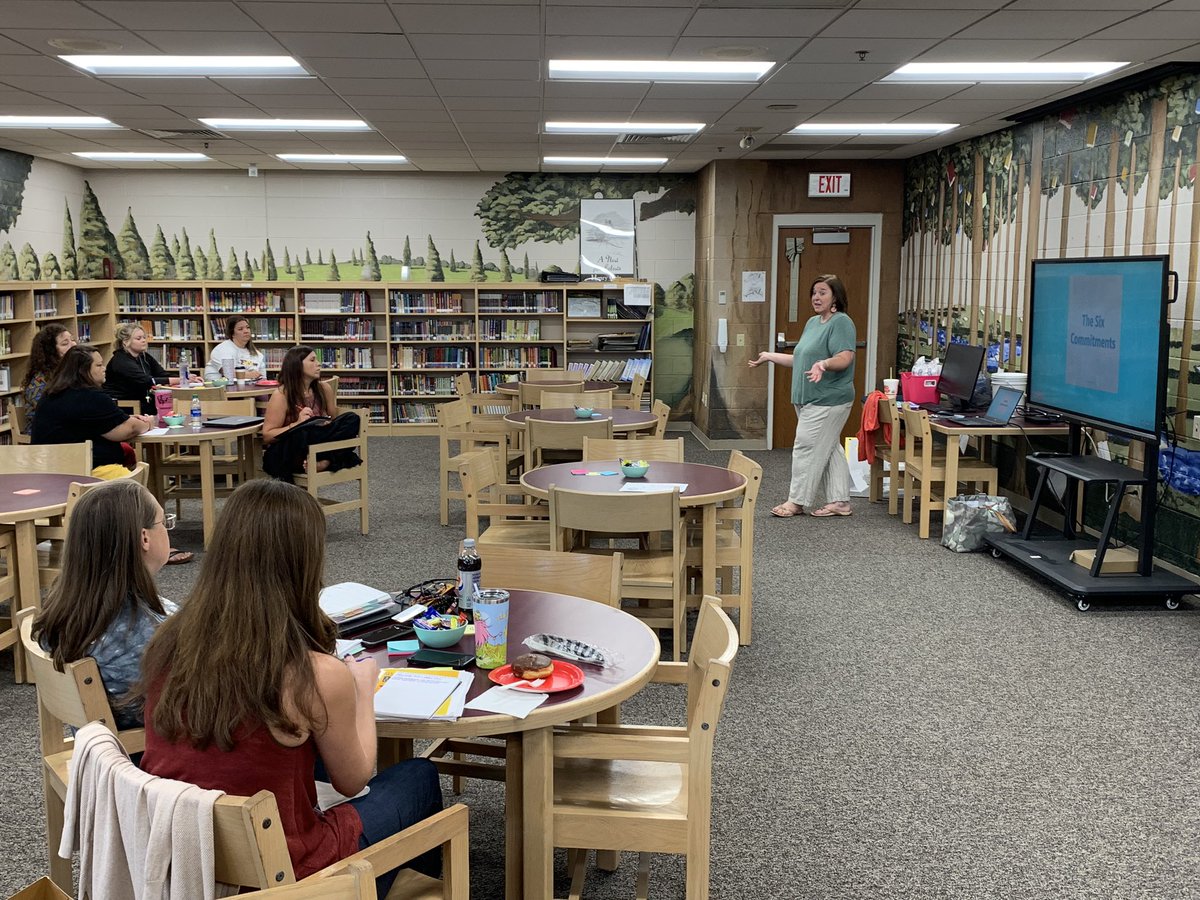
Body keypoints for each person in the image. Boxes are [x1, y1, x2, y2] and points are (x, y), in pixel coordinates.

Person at [137, 480, 442, 895]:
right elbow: (353, 781)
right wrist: (362, 693)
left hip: (189, 856)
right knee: (419, 776)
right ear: (304, 562)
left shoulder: (168, 640)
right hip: (283, 872)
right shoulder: (311, 674)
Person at [31, 480, 176, 729]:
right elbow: (186, 712)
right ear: (144, 538)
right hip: (143, 757)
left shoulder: (66, 609)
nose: (166, 529)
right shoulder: (148, 637)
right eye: (164, 522)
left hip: (96, 751)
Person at [31, 344, 194, 564]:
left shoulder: (51, 395)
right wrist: (146, 423)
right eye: (98, 365)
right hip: (87, 472)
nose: (104, 369)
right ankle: (150, 547)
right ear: (83, 371)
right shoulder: (89, 397)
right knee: (139, 492)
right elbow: (125, 430)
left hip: (49, 474)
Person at [749, 273, 857, 518]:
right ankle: (840, 501)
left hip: (829, 399)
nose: (816, 297)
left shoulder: (841, 322)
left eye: (822, 293)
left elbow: (845, 357)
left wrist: (825, 364)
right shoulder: (813, 323)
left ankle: (796, 501)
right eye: (814, 293)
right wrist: (769, 356)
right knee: (829, 447)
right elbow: (801, 360)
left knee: (806, 447)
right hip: (808, 399)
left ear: (835, 297)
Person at [262, 345, 361, 482]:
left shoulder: (324, 388)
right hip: (295, 449)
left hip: (319, 442)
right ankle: (329, 460)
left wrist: (326, 422)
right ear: (297, 365)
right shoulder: (281, 395)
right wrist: (297, 424)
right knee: (302, 433)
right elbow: (267, 435)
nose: (318, 364)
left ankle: (325, 460)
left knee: (352, 419)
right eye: (313, 360)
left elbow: (334, 421)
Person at [105, 321, 203, 414]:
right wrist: (181, 380)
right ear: (126, 342)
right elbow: (146, 380)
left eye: (144, 337)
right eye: (138, 338)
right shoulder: (121, 361)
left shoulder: (143, 356)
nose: (143, 341)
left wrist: (187, 377)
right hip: (125, 404)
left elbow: (161, 374)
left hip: (143, 399)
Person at [21, 323, 76, 433]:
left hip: (68, 427)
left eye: (73, 340)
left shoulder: (69, 372)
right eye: (65, 343)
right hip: (46, 434)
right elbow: (51, 413)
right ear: (50, 352)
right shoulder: (39, 383)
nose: (74, 345)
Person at [205, 315, 266, 381]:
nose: (246, 331)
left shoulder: (258, 354)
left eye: (248, 328)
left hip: (248, 388)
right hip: (219, 388)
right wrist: (250, 375)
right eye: (240, 329)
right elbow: (228, 374)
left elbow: (263, 378)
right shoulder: (222, 349)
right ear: (232, 334)